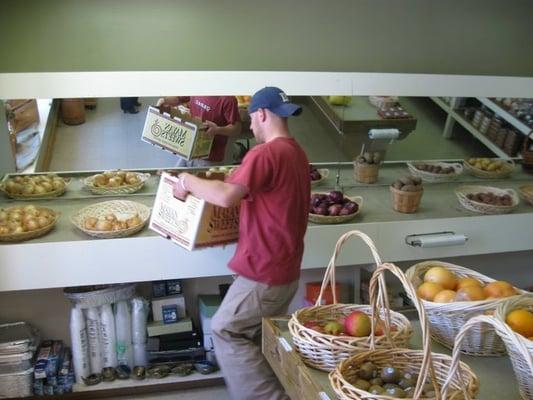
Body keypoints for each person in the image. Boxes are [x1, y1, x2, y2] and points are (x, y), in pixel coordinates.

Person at [173, 87, 310, 400]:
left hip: (263, 272)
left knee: (226, 329)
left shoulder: (265, 153)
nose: (250, 127)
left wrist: (186, 181)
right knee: (260, 338)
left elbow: (225, 196)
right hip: (286, 271)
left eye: (251, 119)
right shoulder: (296, 152)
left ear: (261, 114)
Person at [157, 96, 242, 167]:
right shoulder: (197, 86)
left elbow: (237, 128)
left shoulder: (227, 99)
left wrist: (217, 130)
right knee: (173, 181)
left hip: (210, 157)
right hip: (188, 149)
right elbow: (179, 99)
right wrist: (165, 100)